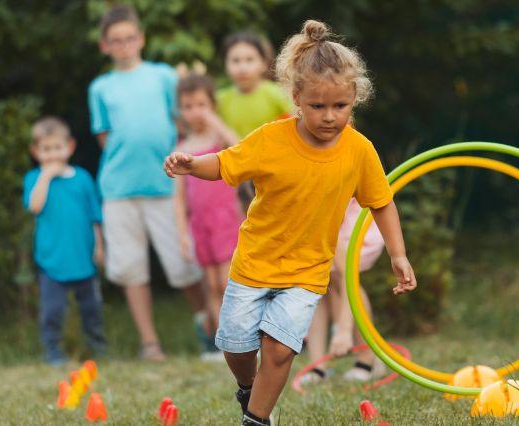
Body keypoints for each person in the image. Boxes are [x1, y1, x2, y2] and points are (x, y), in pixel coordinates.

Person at [164, 20, 418, 426]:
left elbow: (382, 202)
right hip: (254, 261)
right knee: (236, 345)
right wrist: (193, 164)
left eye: (341, 106)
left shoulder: (359, 150)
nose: (330, 117)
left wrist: (399, 254)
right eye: (318, 106)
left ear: (355, 98)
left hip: (307, 269)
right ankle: (249, 388)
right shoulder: (271, 139)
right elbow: (227, 165)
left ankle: (257, 419)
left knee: (281, 349)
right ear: (296, 98)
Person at [88, 4, 204, 361]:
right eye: (115, 41)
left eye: (129, 38)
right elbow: (104, 137)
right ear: (105, 46)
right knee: (130, 268)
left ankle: (211, 330)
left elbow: (181, 124)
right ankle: (150, 343)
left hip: (166, 185)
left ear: (141, 38)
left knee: (183, 264)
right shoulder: (100, 87)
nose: (123, 45)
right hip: (119, 190)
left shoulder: (163, 76)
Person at [23, 117, 107, 365]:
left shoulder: (82, 178)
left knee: (91, 308)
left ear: (69, 147)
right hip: (52, 260)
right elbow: (35, 207)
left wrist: (100, 247)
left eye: (57, 148)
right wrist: (46, 177)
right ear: (35, 152)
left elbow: (95, 217)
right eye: (46, 150)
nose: (52, 155)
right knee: (52, 311)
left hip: (83, 256)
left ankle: (97, 346)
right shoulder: (34, 179)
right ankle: (53, 351)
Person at [173, 72, 242, 361]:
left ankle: (241, 340)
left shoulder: (219, 139)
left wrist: (217, 122)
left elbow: (241, 149)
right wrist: (182, 235)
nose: (195, 112)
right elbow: (179, 200)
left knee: (229, 283)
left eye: (201, 104)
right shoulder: (181, 148)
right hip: (200, 225)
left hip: (226, 220)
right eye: (188, 106)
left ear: (212, 104)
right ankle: (219, 343)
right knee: (211, 285)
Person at [301, 199, 385, 384]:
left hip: (349, 220)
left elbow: (349, 275)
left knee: (340, 275)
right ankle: (318, 366)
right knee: (317, 283)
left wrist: (343, 330)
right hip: (319, 216)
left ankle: (366, 360)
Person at [217, 31, 294, 210]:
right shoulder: (221, 99)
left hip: (273, 172)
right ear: (226, 65)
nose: (242, 67)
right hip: (238, 177)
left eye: (249, 60)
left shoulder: (275, 94)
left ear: (263, 63)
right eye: (235, 61)